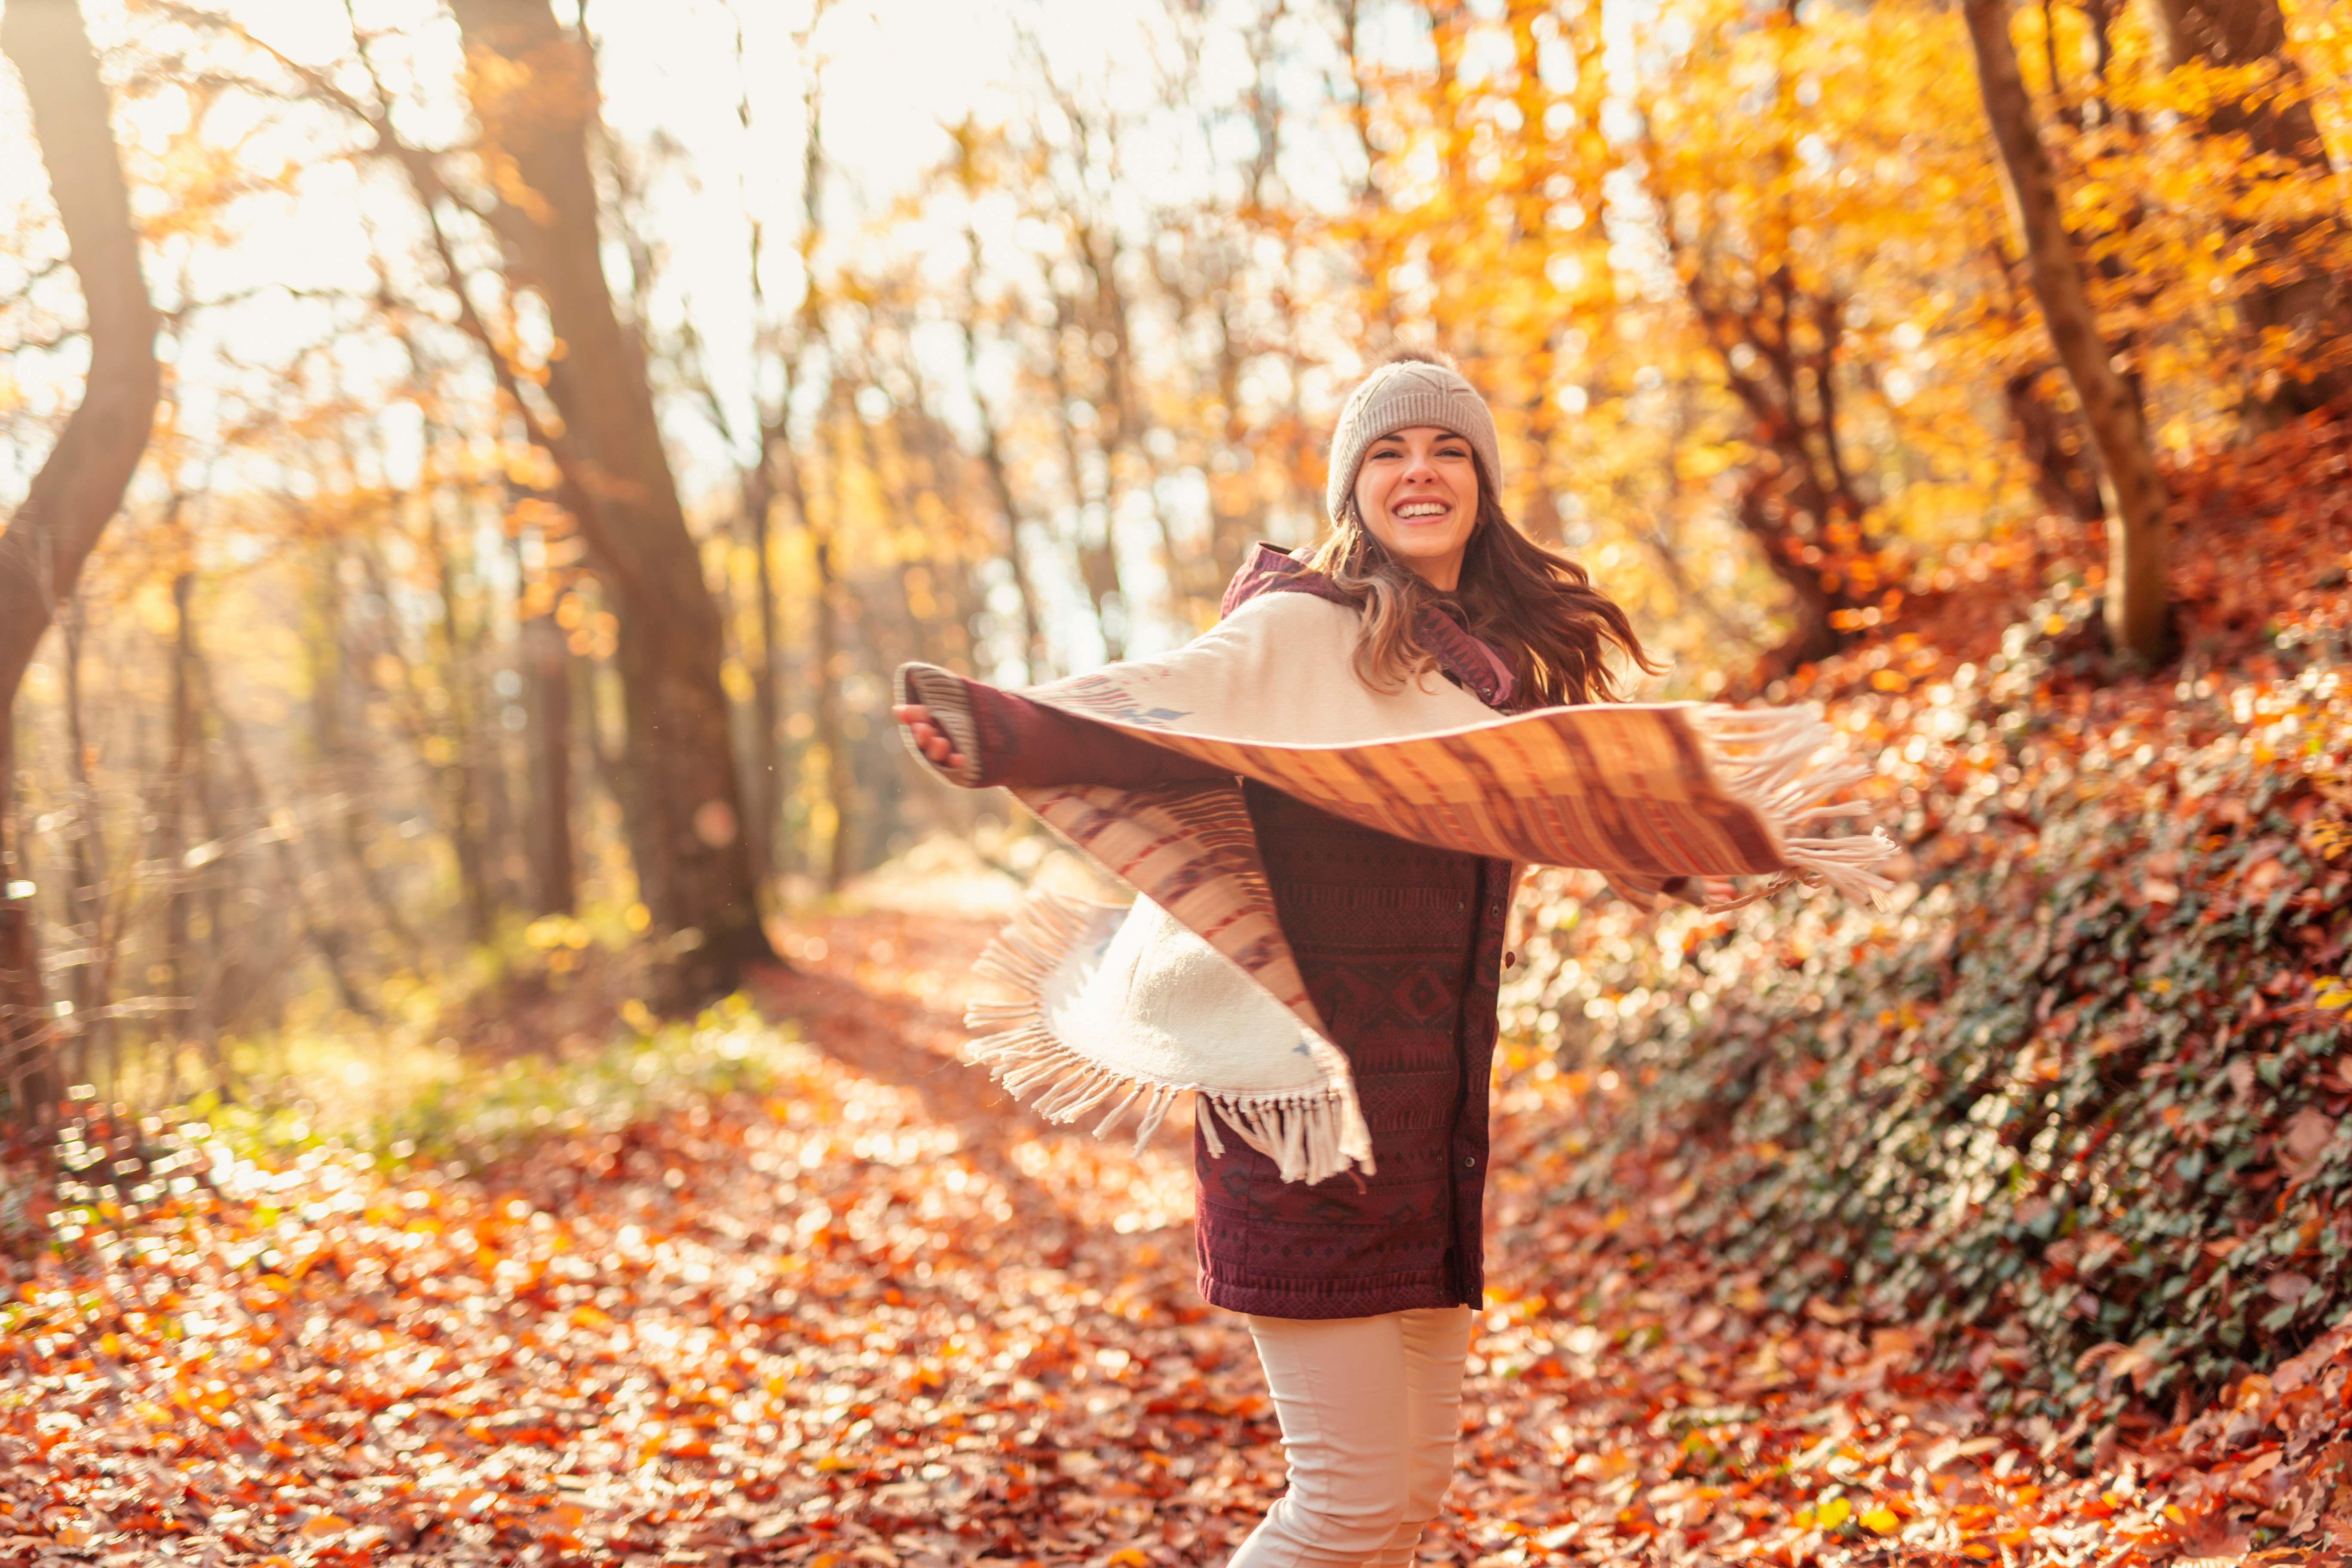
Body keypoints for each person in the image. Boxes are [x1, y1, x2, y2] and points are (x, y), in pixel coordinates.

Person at [894, 350, 1656, 1567]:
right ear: (1353, 487)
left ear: (1483, 483)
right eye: (1389, 453)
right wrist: (996, 727)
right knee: (1346, 1508)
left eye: (1448, 450)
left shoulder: (1482, 680)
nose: (1421, 473)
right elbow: (1157, 711)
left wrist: (1669, 848)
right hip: (1299, 1127)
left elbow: (1551, 816)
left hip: (1431, 1135)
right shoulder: (1306, 631)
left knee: (1406, 1505)